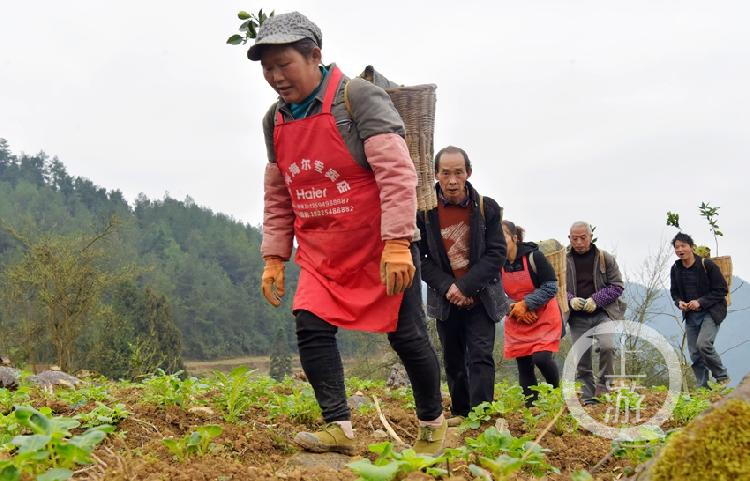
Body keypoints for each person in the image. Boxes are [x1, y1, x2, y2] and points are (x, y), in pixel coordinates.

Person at [250, 12, 445, 455]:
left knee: (407, 336)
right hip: (322, 250)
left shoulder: (357, 99)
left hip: (378, 245)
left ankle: (433, 424)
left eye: (284, 64)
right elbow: (279, 192)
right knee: (310, 325)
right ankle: (338, 425)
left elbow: (396, 174)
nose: (275, 77)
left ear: (314, 56)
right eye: (267, 68)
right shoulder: (274, 121)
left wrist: (398, 243)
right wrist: (274, 256)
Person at [417, 146, 507, 425]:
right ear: (436, 174)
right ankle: (461, 411)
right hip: (446, 298)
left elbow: (496, 253)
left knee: (480, 356)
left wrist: (466, 286)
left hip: (482, 297)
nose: (452, 180)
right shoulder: (424, 210)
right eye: (446, 173)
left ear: (469, 172)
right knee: (454, 359)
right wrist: (449, 287)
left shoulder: (486, 207)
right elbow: (420, 256)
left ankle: (481, 416)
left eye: (458, 172)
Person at [500, 221, 561, 406]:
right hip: (517, 319)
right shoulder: (495, 263)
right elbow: (493, 293)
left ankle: (555, 394)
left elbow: (551, 286)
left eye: (502, 236)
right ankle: (531, 407)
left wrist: (526, 304)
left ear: (514, 238)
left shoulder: (534, 257)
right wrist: (516, 309)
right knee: (524, 364)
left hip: (543, 316)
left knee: (541, 358)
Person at [566, 221, 626, 405]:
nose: (579, 242)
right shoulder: (563, 259)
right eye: (574, 238)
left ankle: (604, 386)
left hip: (602, 313)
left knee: (608, 346)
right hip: (577, 317)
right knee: (582, 358)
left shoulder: (604, 258)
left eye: (582, 238)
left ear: (590, 237)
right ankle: (588, 396)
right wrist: (570, 299)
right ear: (569, 238)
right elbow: (556, 287)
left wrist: (596, 300)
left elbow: (617, 286)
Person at [669, 232, 729, 388]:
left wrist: (700, 302)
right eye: (677, 247)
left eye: (683, 246)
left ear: (691, 247)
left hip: (711, 311)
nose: (680, 249)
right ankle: (703, 386)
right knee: (695, 353)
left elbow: (722, 289)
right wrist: (679, 302)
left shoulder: (706, 264)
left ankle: (722, 376)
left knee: (704, 345)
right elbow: (674, 292)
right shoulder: (675, 268)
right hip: (690, 315)